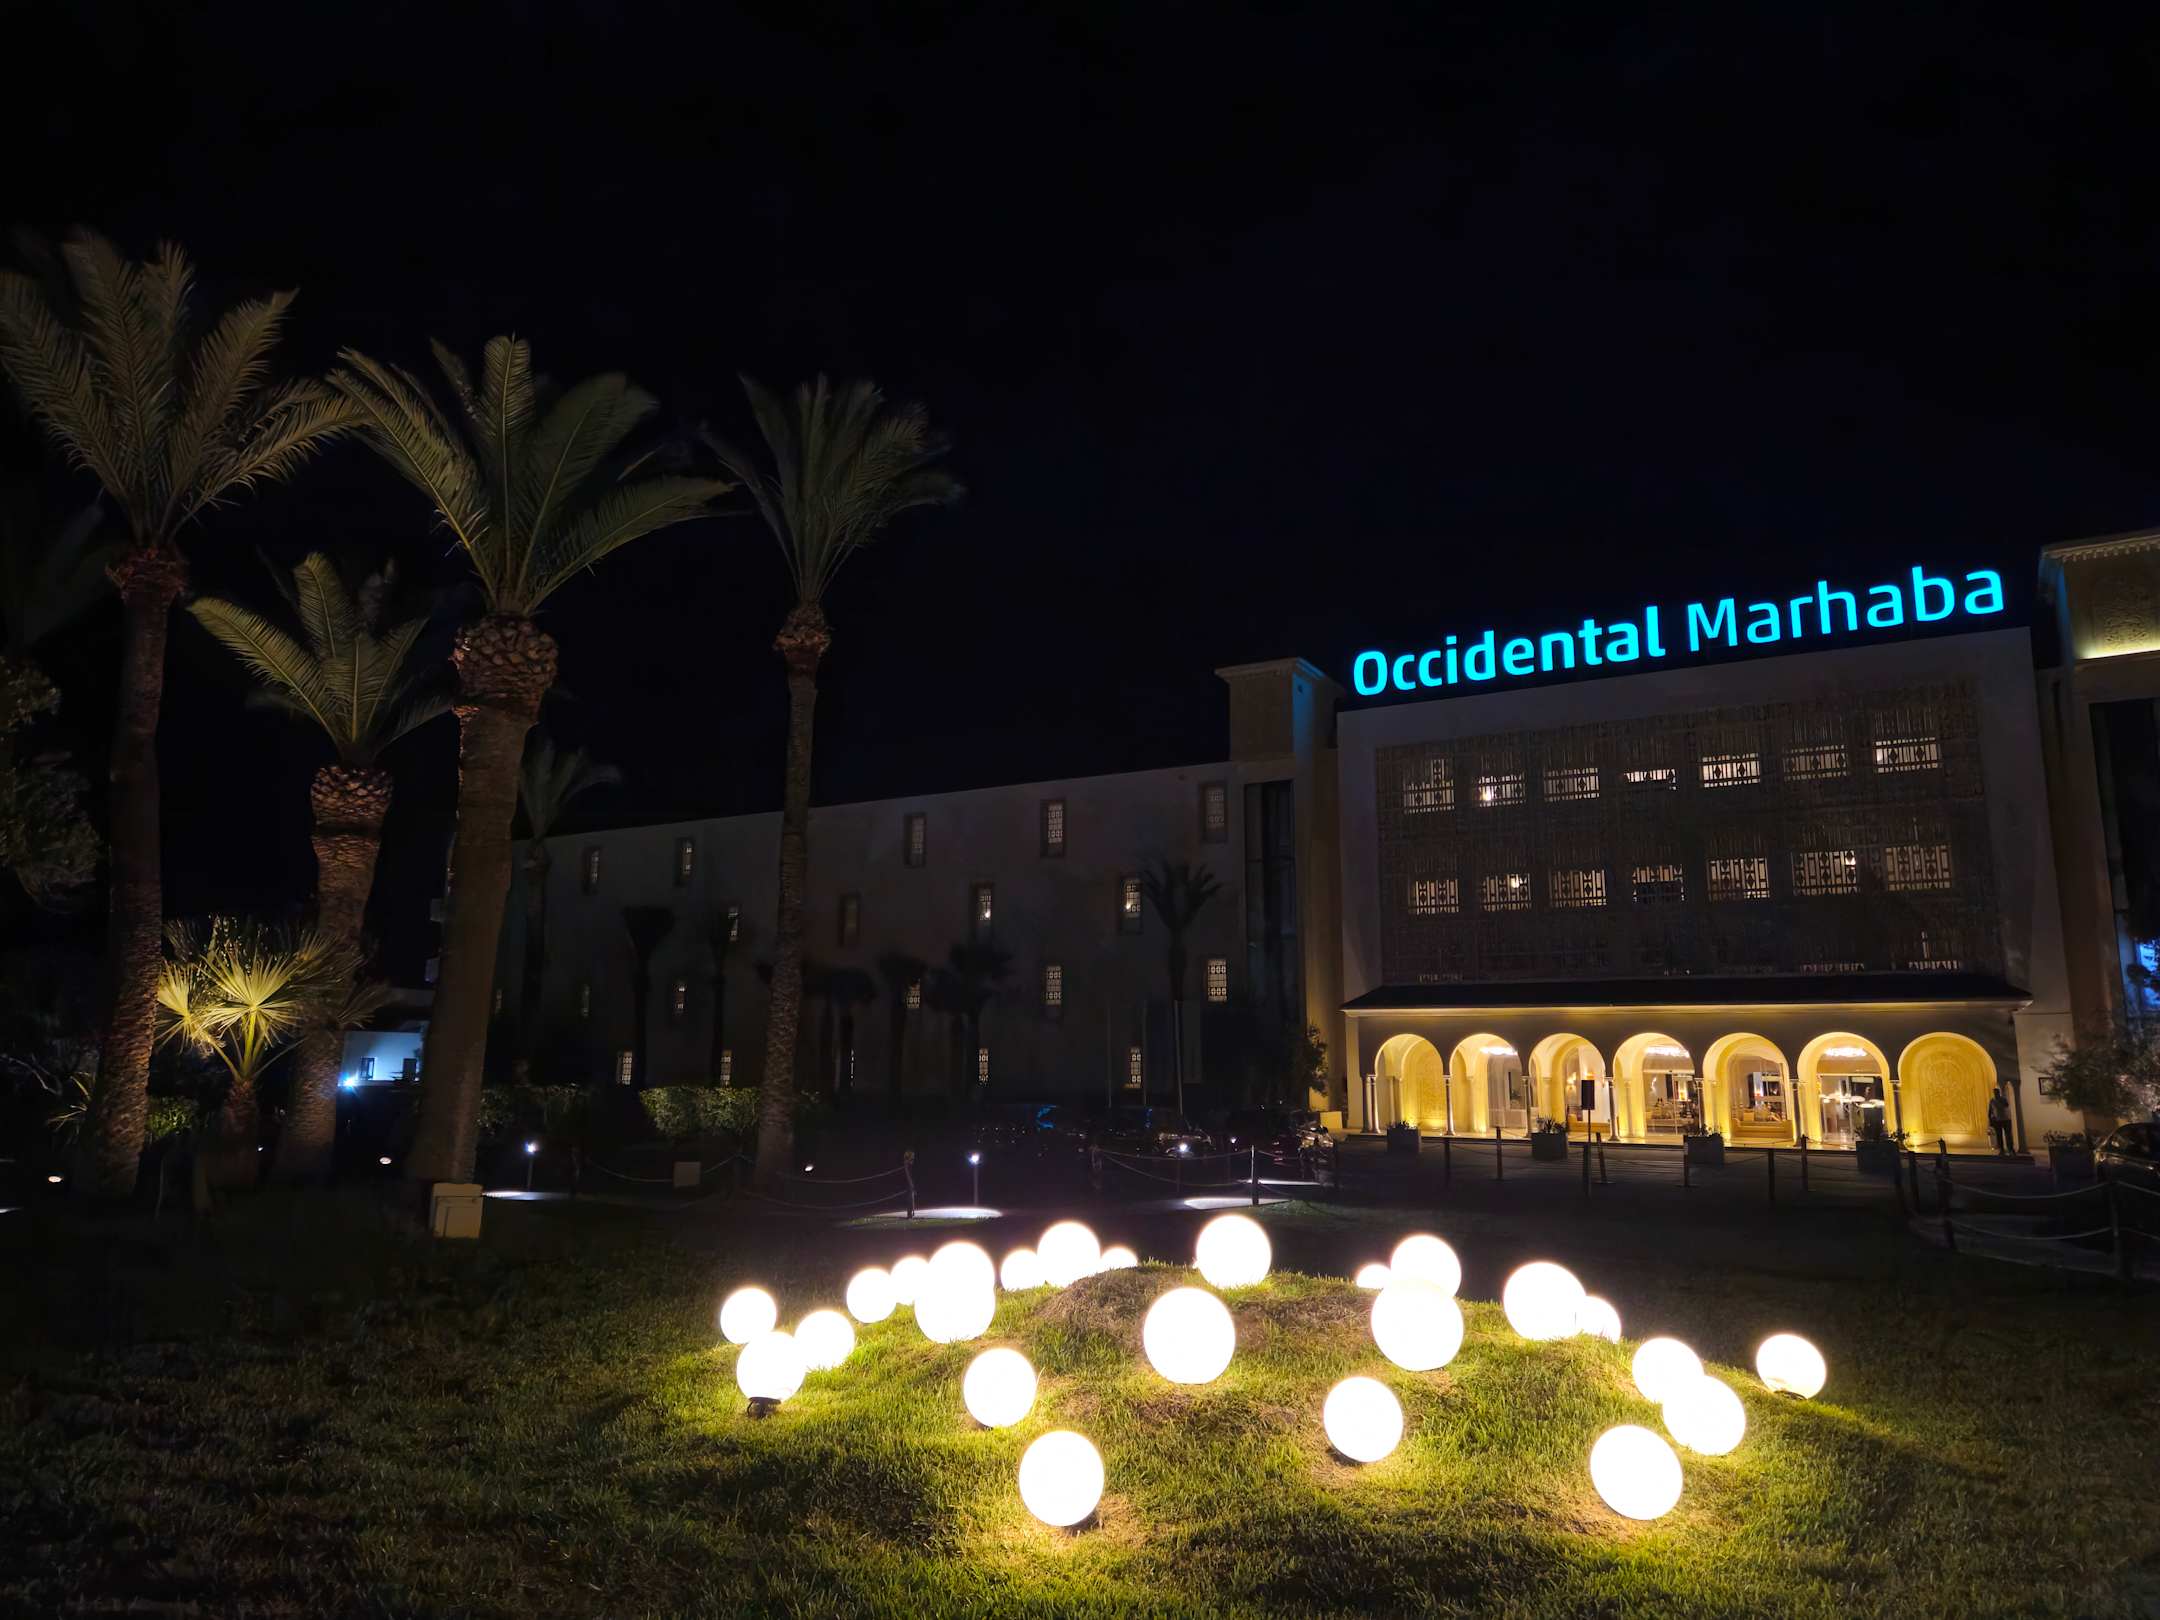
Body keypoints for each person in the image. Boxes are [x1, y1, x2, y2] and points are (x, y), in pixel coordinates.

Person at [1986, 1089, 2012, 1154]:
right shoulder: (1992, 1101)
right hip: (1997, 1120)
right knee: (1999, 1135)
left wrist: (2000, 1102)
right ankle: (2001, 1149)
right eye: (1994, 1093)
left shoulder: (2003, 1099)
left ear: (1999, 1093)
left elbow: (2006, 1105)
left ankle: (2010, 1149)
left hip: (2005, 1119)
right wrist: (1990, 1119)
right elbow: (1990, 1111)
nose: (1995, 1094)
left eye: (1997, 1092)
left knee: (2008, 1135)